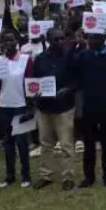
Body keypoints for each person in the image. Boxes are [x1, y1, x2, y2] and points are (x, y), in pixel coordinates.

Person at [72, 30, 106, 188]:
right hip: (89, 104)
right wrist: (77, 45)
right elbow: (72, 66)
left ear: (103, 39)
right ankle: (89, 176)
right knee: (88, 142)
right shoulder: (84, 55)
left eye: (94, 37)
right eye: (89, 37)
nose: (91, 40)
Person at [30, 28, 76, 191]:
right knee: (45, 143)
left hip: (64, 107)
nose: (60, 42)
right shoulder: (40, 59)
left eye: (62, 38)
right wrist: (35, 95)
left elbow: (77, 79)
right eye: (56, 39)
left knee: (66, 144)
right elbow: (34, 82)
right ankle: (45, 175)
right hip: (44, 108)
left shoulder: (69, 57)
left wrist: (68, 89)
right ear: (48, 40)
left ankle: (68, 176)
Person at [0, 30, 36, 188]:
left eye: (10, 40)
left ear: (16, 42)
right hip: (3, 105)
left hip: (21, 106)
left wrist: (31, 107)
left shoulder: (26, 59)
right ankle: (10, 176)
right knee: (7, 142)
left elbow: (31, 83)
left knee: (22, 142)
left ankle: (26, 175)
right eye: (4, 41)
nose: (7, 44)